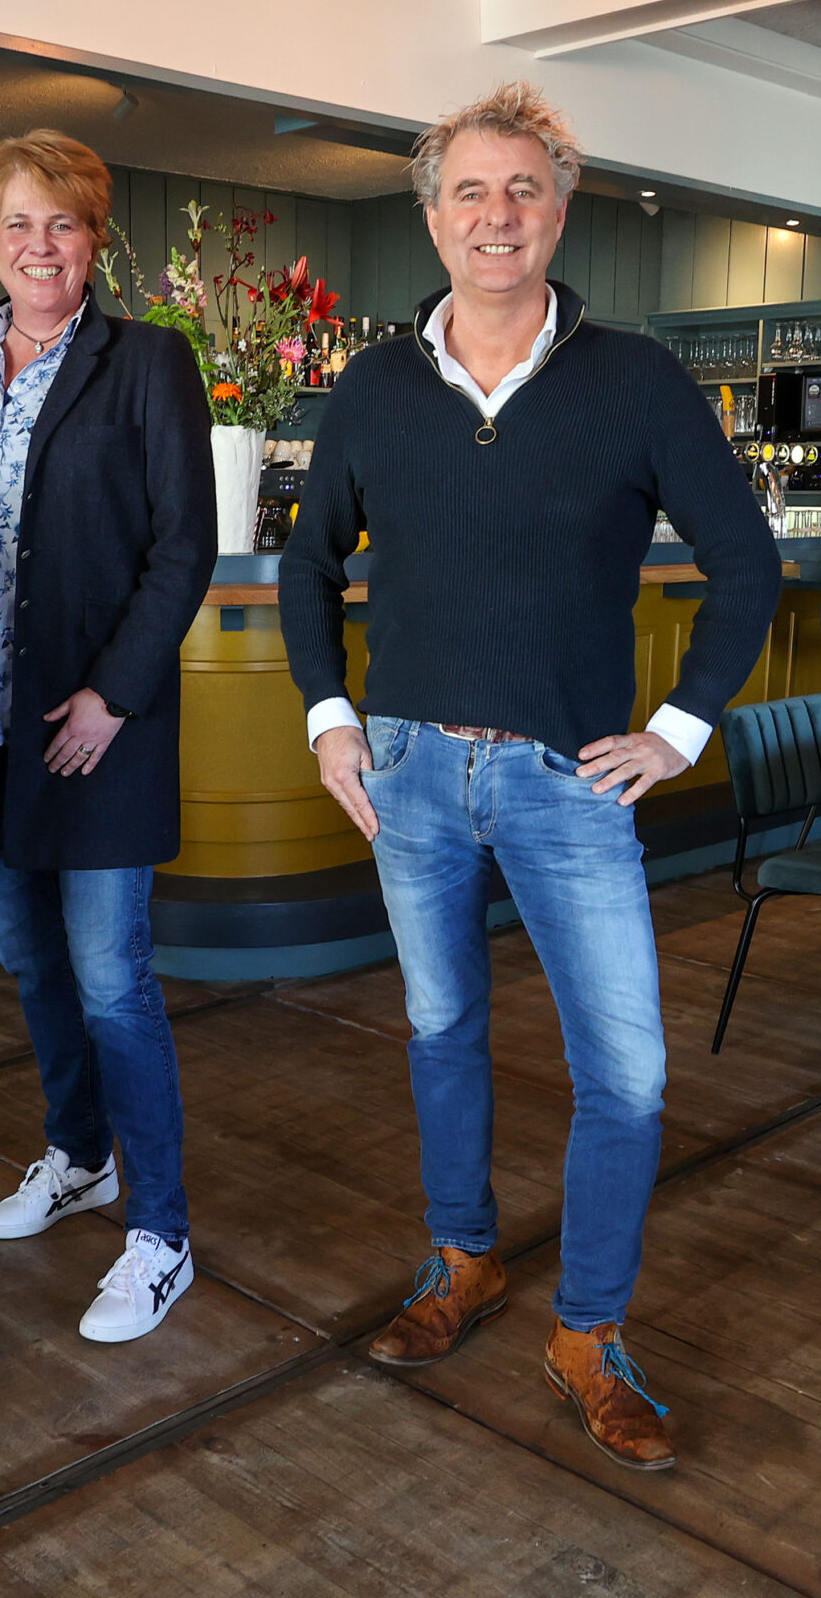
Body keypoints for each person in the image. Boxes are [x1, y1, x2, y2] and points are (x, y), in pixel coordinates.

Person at [279, 82, 779, 1470]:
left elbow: (747, 564)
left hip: (568, 783)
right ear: (431, 217)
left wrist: (677, 727)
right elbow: (311, 565)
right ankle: (462, 1262)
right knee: (441, 1035)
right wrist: (330, 716)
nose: (496, 217)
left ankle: (590, 1331)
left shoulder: (636, 382)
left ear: (561, 212)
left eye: (523, 192)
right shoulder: (375, 386)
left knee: (625, 1075)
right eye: (468, 194)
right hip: (412, 776)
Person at [0, 130, 214, 1342]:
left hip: (95, 731)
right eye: (19, 224)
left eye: (63, 224)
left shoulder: (147, 365)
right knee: (27, 963)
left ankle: (161, 1231)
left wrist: (115, 694)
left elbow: (184, 547)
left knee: (114, 979)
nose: (40, 247)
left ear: (95, 238)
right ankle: (79, 1154)